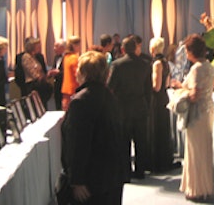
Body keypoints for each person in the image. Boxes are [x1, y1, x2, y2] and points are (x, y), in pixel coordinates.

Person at [61, 50, 125, 204]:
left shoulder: (81, 101)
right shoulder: (110, 96)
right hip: (111, 175)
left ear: (83, 73)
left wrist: (76, 179)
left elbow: (78, 143)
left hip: (91, 178)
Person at [108, 36, 152, 181]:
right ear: (136, 48)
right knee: (141, 141)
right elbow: (148, 90)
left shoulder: (117, 65)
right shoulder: (146, 64)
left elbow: (110, 88)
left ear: (122, 49)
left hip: (122, 108)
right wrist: (148, 106)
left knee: (124, 142)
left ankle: (125, 173)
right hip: (140, 106)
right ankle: (140, 171)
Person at [179, 34, 214, 201]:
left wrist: (181, 94)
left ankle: (196, 189)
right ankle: (203, 186)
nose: (186, 53)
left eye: (186, 50)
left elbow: (194, 95)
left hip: (197, 113)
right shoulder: (208, 65)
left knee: (195, 150)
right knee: (203, 150)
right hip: (207, 111)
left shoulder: (196, 68)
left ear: (191, 51)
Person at [148, 37, 174, 173]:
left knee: (156, 128)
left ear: (152, 48)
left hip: (157, 99)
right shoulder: (166, 62)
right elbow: (167, 83)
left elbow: (156, 86)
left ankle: (157, 162)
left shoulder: (157, 63)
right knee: (163, 128)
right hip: (164, 97)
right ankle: (164, 159)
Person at [21, 37, 52, 109]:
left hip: (40, 85)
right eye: (38, 46)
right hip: (33, 85)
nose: (40, 47)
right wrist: (42, 76)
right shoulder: (26, 57)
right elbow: (32, 72)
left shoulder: (36, 57)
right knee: (36, 107)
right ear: (32, 47)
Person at [61, 36, 81, 111]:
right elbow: (77, 74)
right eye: (79, 45)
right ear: (74, 46)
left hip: (66, 88)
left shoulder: (66, 57)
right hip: (73, 88)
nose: (79, 47)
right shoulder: (74, 58)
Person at [48, 39, 66, 111]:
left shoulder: (67, 57)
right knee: (57, 106)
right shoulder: (56, 57)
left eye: (56, 46)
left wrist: (58, 73)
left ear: (62, 47)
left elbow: (68, 73)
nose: (54, 48)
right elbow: (54, 67)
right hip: (57, 85)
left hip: (64, 84)